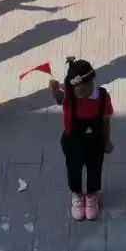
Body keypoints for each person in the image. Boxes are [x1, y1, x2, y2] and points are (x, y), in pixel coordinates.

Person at [48, 58, 113, 221]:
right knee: (73, 169)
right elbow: (59, 99)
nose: (74, 92)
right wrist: (55, 92)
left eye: (78, 88)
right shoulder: (69, 93)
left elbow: (106, 121)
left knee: (95, 169)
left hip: (95, 142)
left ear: (90, 82)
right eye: (73, 88)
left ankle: (91, 196)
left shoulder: (103, 97)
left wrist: (106, 141)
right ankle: (77, 195)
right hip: (73, 141)